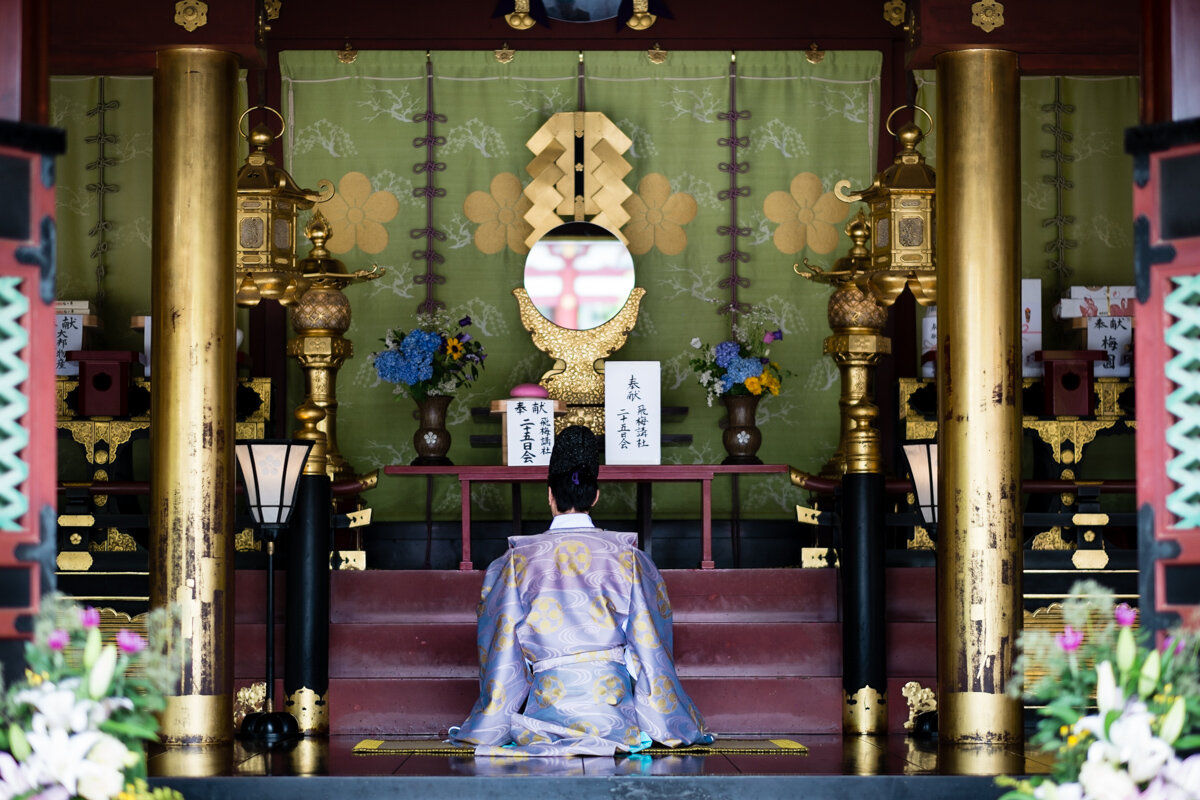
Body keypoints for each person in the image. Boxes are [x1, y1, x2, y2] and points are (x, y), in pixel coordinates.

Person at [449, 425, 711, 756]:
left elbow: (501, 649)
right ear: (596, 496)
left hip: (547, 703)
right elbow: (648, 647)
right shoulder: (629, 557)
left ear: (549, 494)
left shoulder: (515, 562)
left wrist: (493, 720)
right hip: (612, 709)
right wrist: (668, 721)